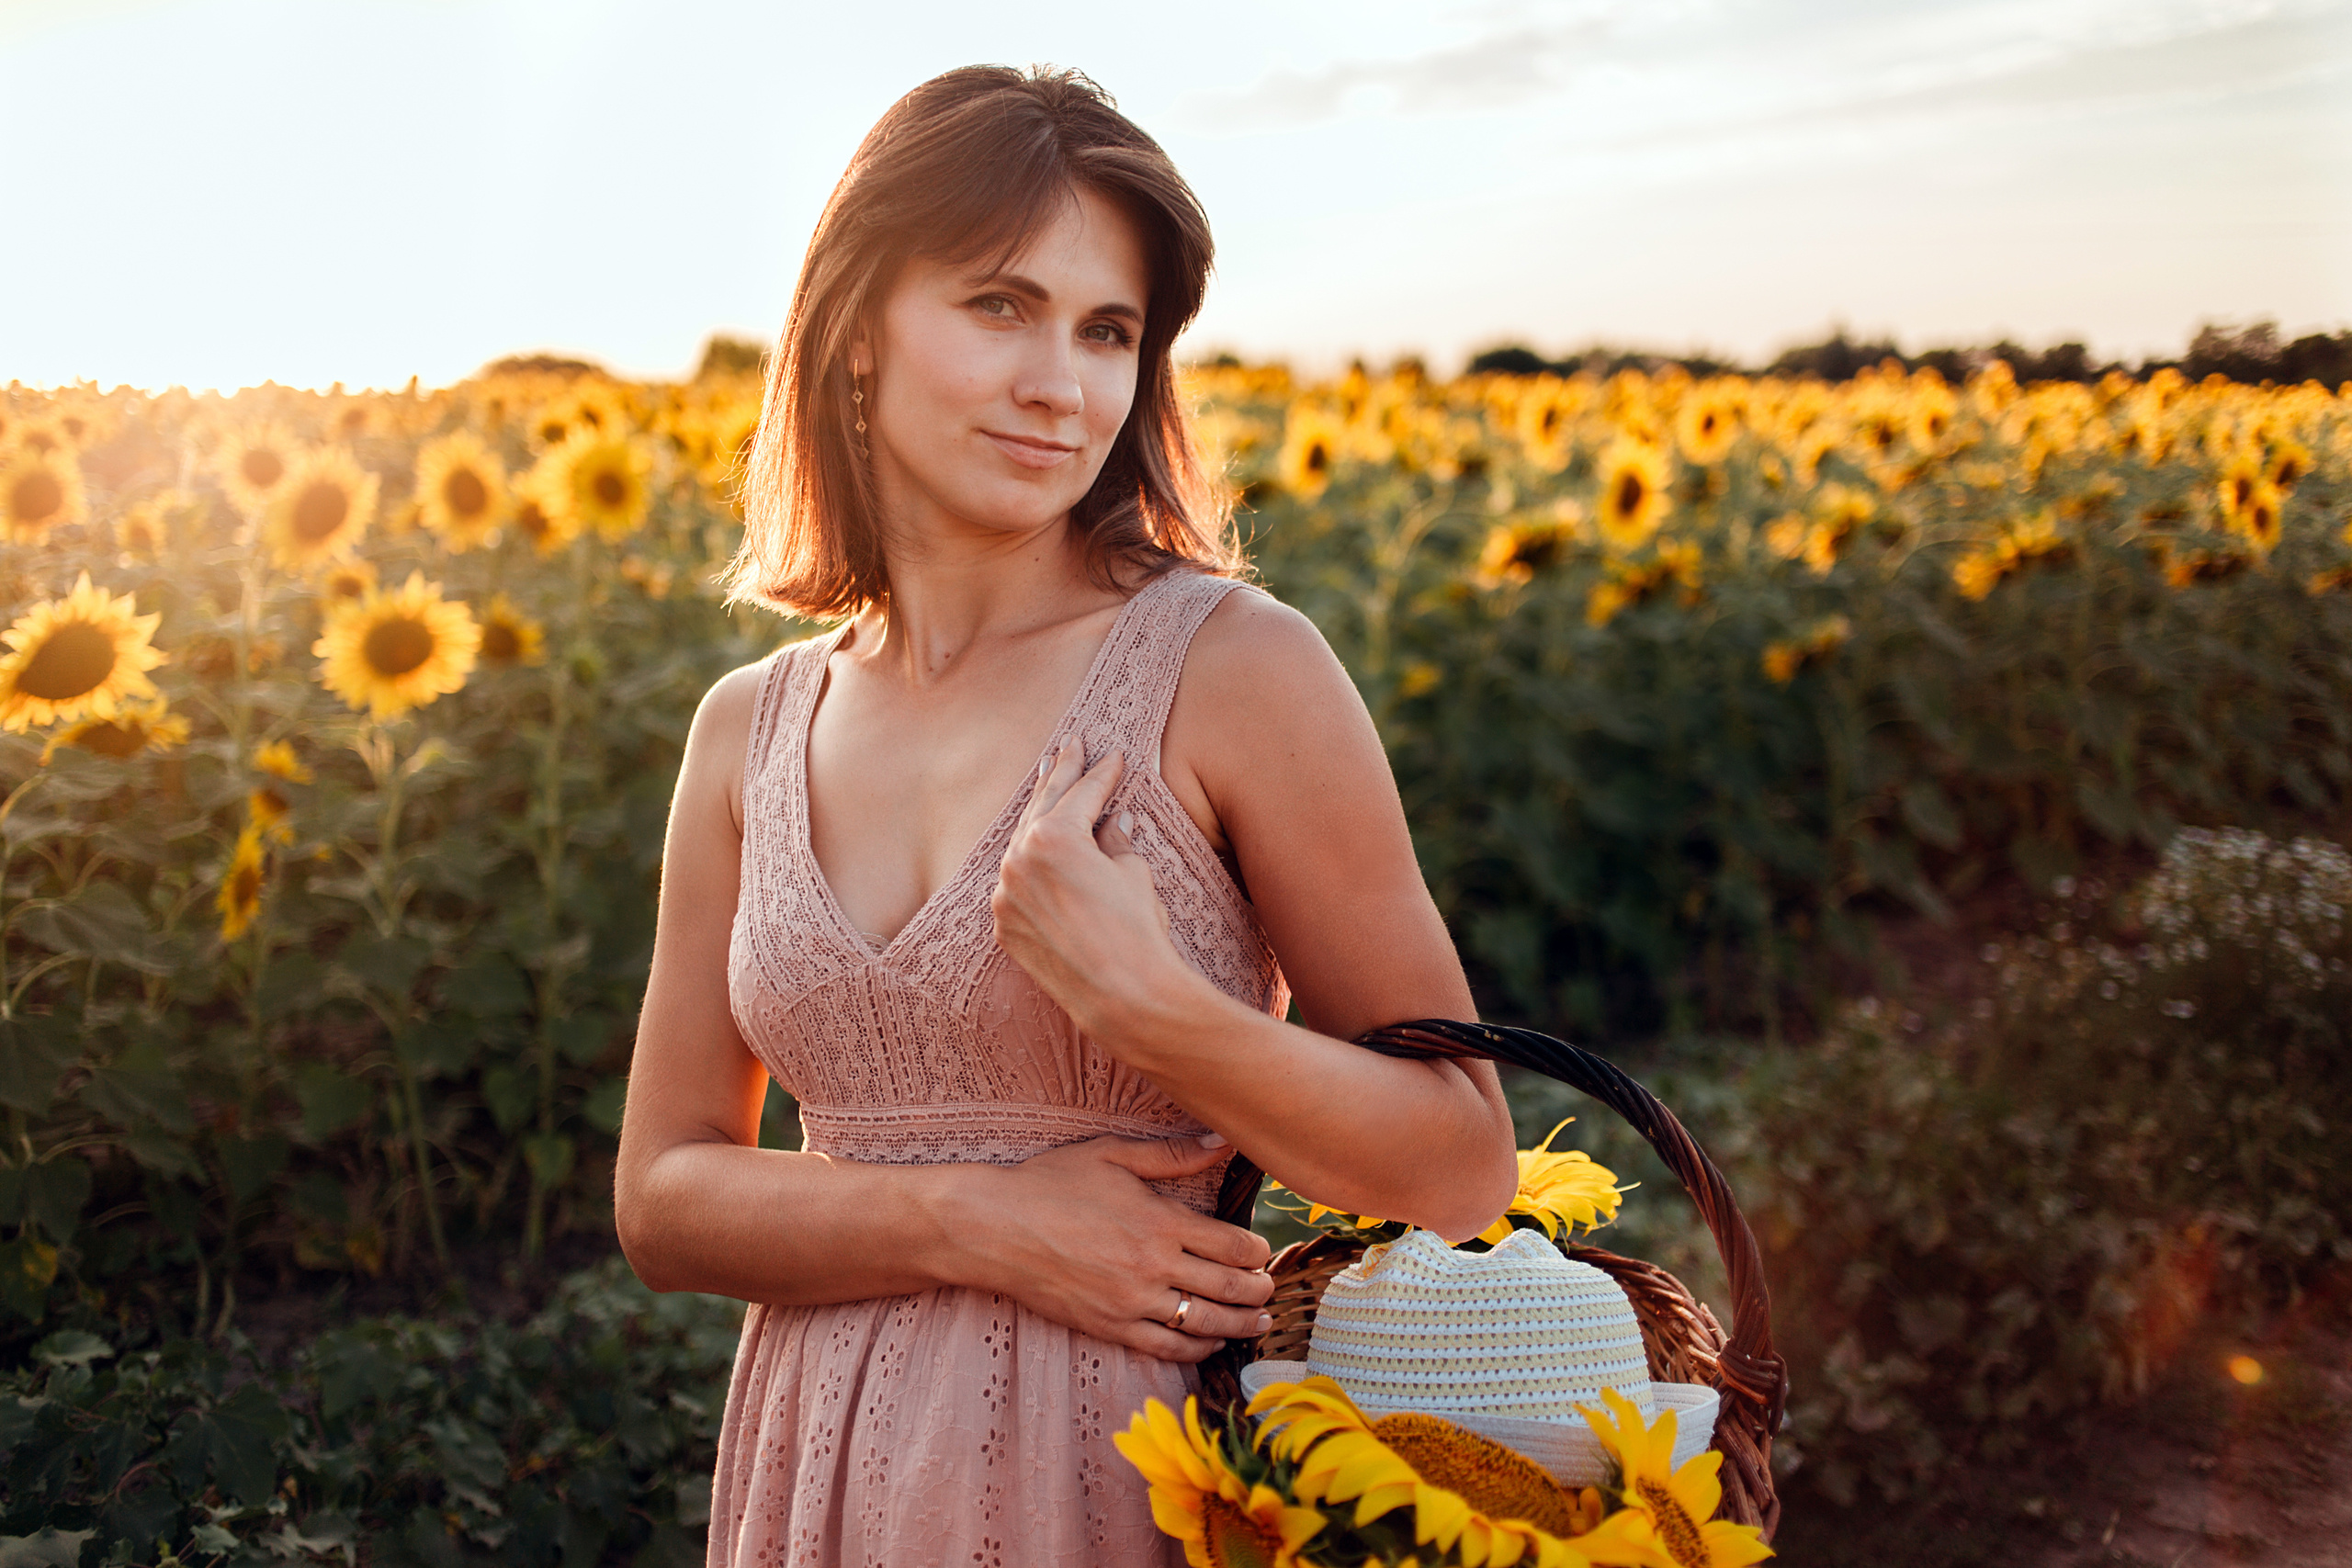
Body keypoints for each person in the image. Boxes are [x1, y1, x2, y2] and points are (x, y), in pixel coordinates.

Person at [614, 64, 1519, 1567]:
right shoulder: (747, 730)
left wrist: (1153, 1007)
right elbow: (663, 1197)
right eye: (1001, 305)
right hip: (813, 1477)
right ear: (854, 330)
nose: (1063, 384)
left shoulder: (1233, 669)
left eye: (1108, 331)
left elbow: (1461, 1163)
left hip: (1124, 1473)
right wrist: (976, 1221)